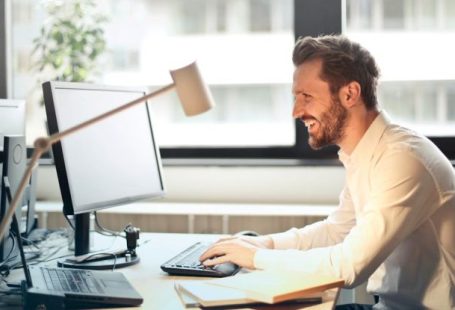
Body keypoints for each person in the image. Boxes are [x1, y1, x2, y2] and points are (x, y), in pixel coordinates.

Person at [200, 35, 455, 309]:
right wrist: (261, 244)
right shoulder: (366, 153)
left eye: (306, 97)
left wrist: (255, 258)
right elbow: (337, 231)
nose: (296, 111)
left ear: (350, 94)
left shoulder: (403, 159)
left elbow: (349, 267)